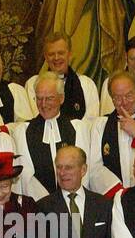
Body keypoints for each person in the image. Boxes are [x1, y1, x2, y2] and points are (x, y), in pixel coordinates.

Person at [12, 72, 95, 200]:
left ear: (61, 98)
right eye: (39, 98)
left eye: (49, 98)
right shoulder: (22, 132)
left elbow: (84, 173)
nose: (43, 104)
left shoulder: (78, 128)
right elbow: (25, 179)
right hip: (37, 206)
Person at [25, 33, 101, 122]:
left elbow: (91, 121)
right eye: (51, 54)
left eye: (61, 53)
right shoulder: (33, 84)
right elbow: (35, 117)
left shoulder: (86, 84)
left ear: (69, 54)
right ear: (45, 57)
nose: (56, 58)